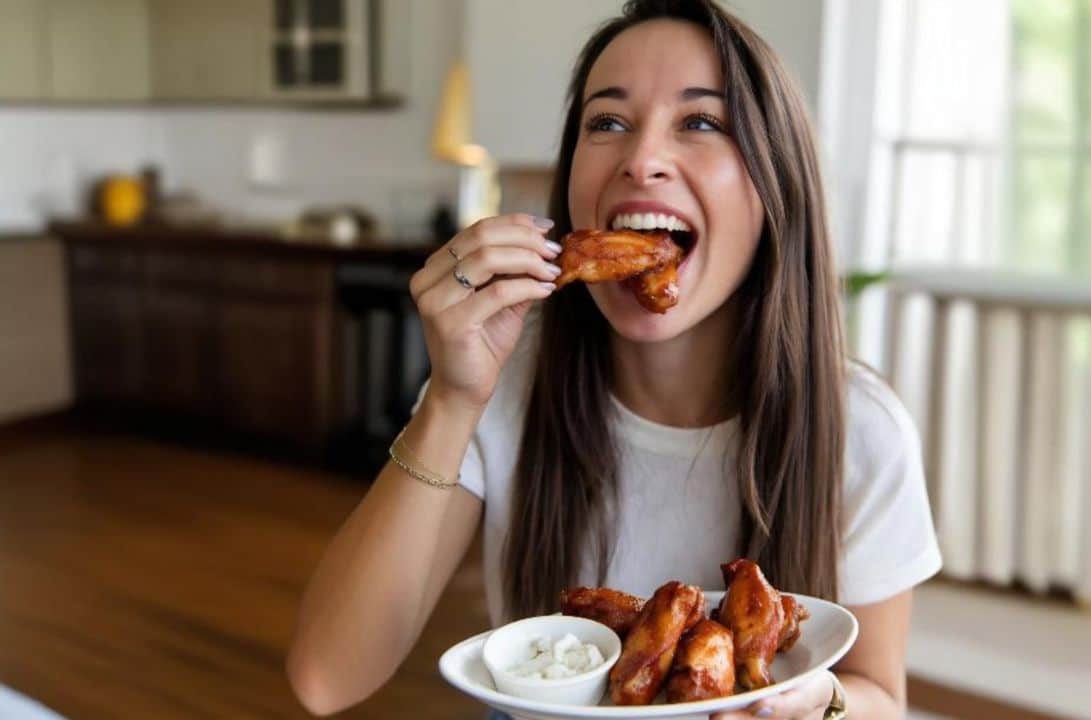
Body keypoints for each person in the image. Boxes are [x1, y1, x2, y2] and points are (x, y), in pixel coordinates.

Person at [287, 1, 940, 717]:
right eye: (607, 122)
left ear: (772, 188)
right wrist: (451, 398)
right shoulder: (502, 382)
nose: (640, 159)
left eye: (700, 122)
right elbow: (326, 678)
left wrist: (823, 703)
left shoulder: (862, 429)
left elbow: (882, 695)